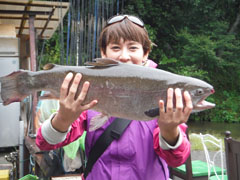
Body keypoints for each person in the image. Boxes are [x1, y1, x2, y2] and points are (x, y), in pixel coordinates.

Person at [36, 14, 193, 180]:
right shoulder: (86, 89)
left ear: (145, 53)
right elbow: (44, 143)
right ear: (104, 53)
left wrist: (169, 130)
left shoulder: (163, 91)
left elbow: (177, 159)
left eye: (133, 48)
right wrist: (62, 119)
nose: (124, 56)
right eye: (116, 48)